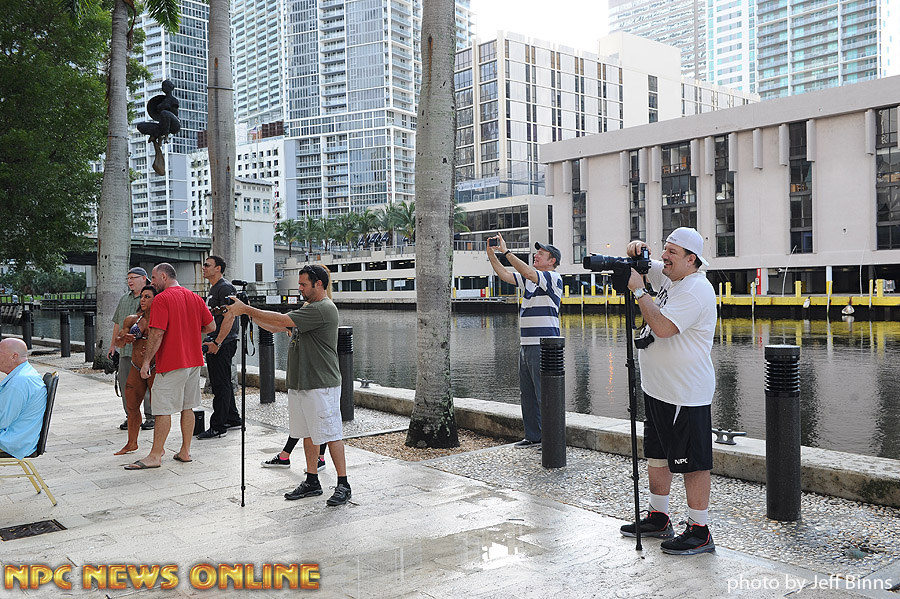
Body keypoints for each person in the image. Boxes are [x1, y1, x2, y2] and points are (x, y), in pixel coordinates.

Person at [619, 227, 717, 555]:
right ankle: (659, 517)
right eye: (664, 249)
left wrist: (638, 291)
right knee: (657, 455)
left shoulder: (696, 289)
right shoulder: (672, 277)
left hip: (685, 394)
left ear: (692, 259)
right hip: (658, 389)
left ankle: (699, 530)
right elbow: (644, 263)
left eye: (672, 252)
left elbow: (661, 328)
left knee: (693, 463)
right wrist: (636, 248)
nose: (664, 256)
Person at [228, 264, 351, 506]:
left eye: (304, 284)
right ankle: (312, 480)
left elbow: (282, 319)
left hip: (320, 384)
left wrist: (246, 309)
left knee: (331, 434)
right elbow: (277, 326)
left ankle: (343, 484)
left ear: (318, 284)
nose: (300, 289)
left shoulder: (323, 308)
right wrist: (248, 313)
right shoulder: (307, 308)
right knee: (307, 434)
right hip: (301, 383)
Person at [125, 263, 214, 469]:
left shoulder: (162, 299)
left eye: (154, 277)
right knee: (187, 407)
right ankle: (185, 451)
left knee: (162, 409)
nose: (152, 282)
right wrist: (189, 329)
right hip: (194, 361)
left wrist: (146, 363)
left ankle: (155, 456)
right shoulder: (194, 297)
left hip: (172, 361)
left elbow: (157, 333)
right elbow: (211, 326)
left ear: (164, 276)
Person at [486, 234, 563, 449]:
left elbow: (528, 272)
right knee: (527, 394)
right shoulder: (530, 281)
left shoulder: (552, 277)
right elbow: (504, 274)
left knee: (544, 394)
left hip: (544, 345)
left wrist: (506, 252)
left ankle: (551, 440)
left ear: (552, 261)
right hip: (526, 344)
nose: (536, 255)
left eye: (541, 254)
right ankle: (533, 436)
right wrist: (491, 254)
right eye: (537, 253)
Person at [196, 255, 242, 440]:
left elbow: (230, 317)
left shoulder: (225, 288)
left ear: (218, 268)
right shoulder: (215, 288)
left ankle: (218, 426)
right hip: (217, 341)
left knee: (220, 384)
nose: (203, 267)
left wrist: (217, 342)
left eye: (207, 265)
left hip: (223, 342)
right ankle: (232, 418)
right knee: (223, 382)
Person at [113, 285, 157, 455]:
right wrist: (125, 337)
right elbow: (118, 342)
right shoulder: (133, 320)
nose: (143, 300)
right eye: (142, 297)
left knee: (159, 409)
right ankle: (131, 443)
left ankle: (158, 447)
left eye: (147, 297)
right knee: (132, 405)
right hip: (136, 365)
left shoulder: (161, 319)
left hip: (155, 367)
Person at [108, 268, 154, 431]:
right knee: (126, 385)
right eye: (128, 278)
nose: (130, 281)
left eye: (133, 278)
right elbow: (117, 323)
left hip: (144, 352)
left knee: (148, 384)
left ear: (144, 278)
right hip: (125, 352)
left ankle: (151, 417)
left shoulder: (152, 297)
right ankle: (131, 416)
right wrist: (113, 345)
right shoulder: (124, 299)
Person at [0, 339, 47, 459]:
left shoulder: (19, 382)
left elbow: (2, 420)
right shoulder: (25, 374)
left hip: (11, 442)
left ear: (14, 356)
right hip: (19, 438)